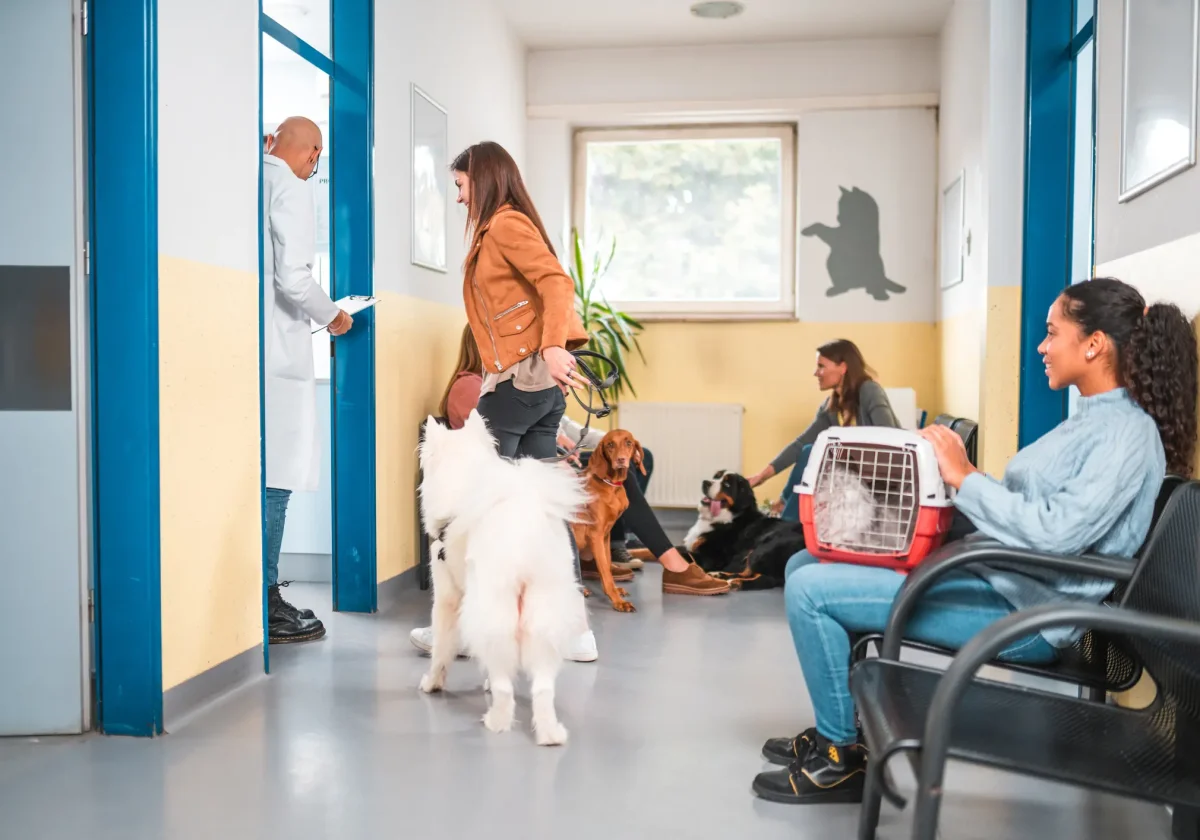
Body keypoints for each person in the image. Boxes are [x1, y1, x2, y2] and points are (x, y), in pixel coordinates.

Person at [751, 277, 1197, 805]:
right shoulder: (1094, 419)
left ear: (1094, 344)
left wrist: (964, 477)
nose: (1042, 346)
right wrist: (950, 472)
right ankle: (843, 728)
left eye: (1053, 333)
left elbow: (1055, 533)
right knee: (806, 561)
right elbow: (1032, 510)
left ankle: (840, 757)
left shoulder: (1125, 434)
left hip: (1029, 616)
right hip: (999, 582)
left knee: (810, 591)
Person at [261, 117, 354, 644]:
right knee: (278, 479)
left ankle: (260, 590)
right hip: (280, 358)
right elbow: (294, 277)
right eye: (316, 154)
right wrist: (335, 316)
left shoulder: (254, 178)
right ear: (313, 152)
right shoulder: (293, 187)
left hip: (256, 351)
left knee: (264, 475)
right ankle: (266, 598)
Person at [747, 340, 900, 521]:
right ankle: (785, 510)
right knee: (808, 451)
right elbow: (800, 444)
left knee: (812, 453)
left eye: (821, 366)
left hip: (884, 473)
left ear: (843, 367)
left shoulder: (869, 391)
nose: (815, 373)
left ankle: (785, 515)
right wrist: (761, 476)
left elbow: (889, 437)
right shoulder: (831, 407)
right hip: (851, 474)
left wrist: (843, 456)